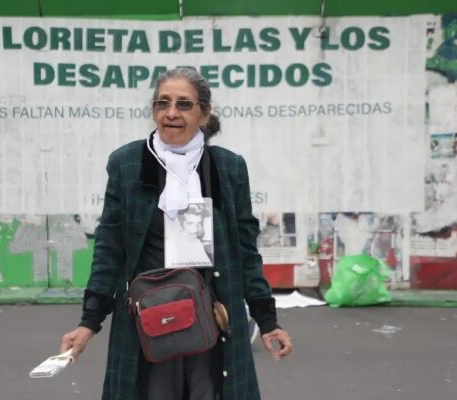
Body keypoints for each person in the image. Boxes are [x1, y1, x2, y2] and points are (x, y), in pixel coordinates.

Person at [60, 67, 292, 400]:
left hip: (211, 320)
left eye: (184, 104)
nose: (171, 113)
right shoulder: (127, 164)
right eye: (162, 103)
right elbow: (109, 249)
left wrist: (267, 320)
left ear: (204, 113)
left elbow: (245, 252)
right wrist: (89, 322)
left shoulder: (228, 168)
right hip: (148, 319)